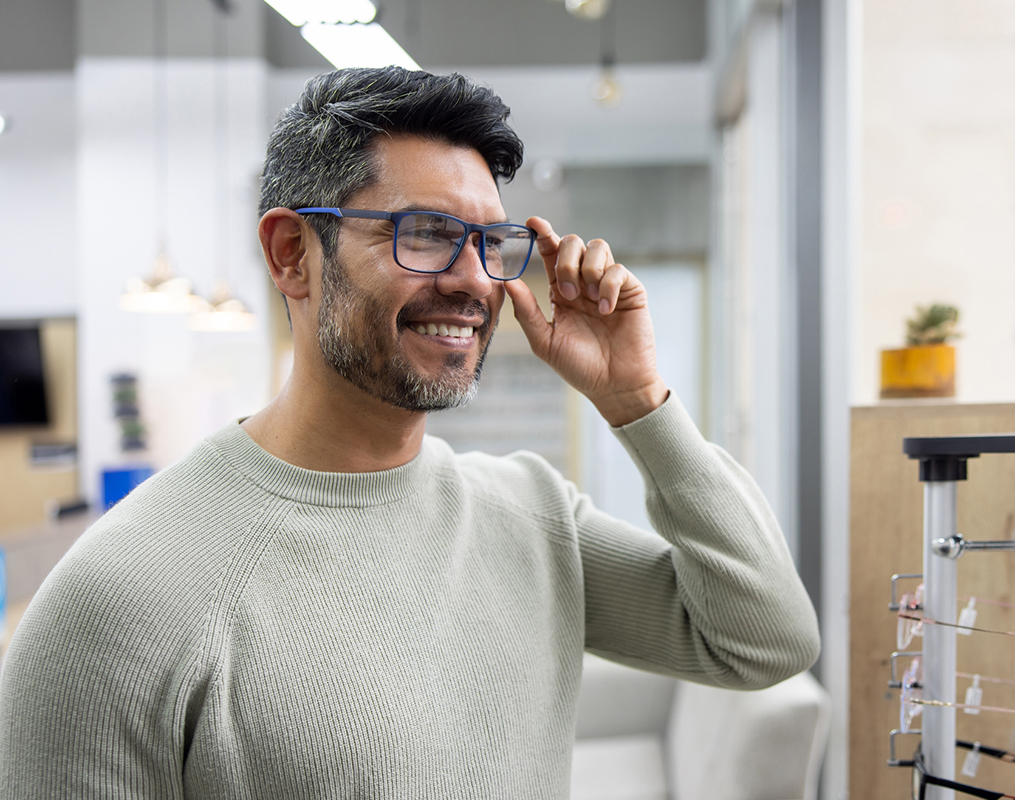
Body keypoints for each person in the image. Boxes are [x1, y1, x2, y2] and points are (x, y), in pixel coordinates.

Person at [0, 67, 819, 798]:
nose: (472, 281)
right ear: (293, 255)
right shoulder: (115, 601)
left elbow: (764, 641)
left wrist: (638, 401)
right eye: (424, 233)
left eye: (489, 242)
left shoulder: (531, 515)